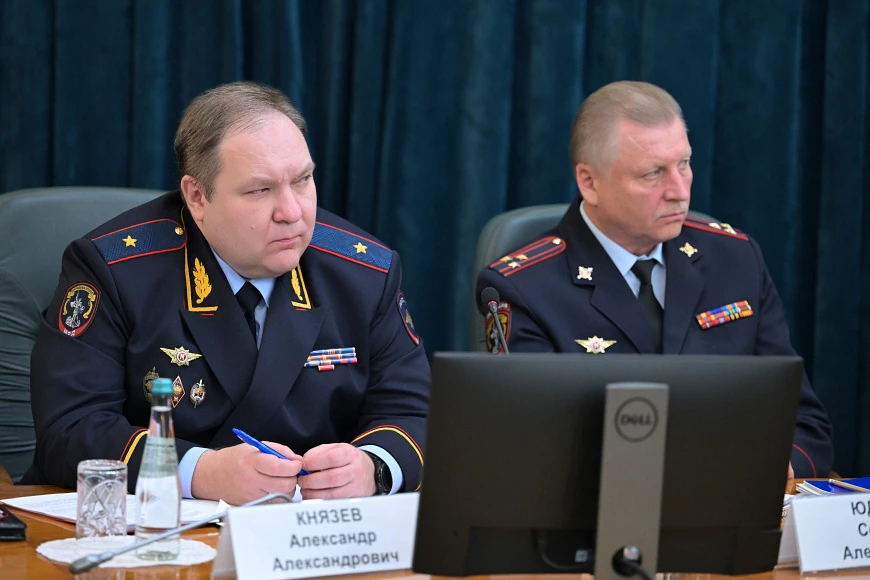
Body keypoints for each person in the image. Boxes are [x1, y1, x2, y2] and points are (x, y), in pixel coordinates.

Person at [23, 82, 430, 504]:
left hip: (309, 528)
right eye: (260, 190)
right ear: (197, 196)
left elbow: (413, 412)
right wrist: (198, 472)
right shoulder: (114, 270)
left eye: (303, 180)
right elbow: (69, 428)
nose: (292, 212)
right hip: (157, 525)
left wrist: (373, 467)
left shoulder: (365, 273)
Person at [477, 81, 833, 478]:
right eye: (653, 174)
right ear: (589, 182)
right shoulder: (524, 287)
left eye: (684, 164)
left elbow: (805, 426)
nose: (679, 192)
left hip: (735, 503)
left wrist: (775, 468)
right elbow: (529, 447)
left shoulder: (736, 260)